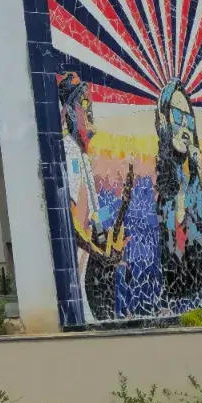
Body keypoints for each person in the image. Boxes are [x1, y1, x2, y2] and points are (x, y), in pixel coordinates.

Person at [56, 74, 135, 321]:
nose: (91, 112)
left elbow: (93, 216)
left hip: (90, 268)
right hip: (82, 272)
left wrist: (119, 204)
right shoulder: (69, 151)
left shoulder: (82, 156)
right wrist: (99, 253)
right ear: (70, 112)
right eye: (85, 104)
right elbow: (72, 219)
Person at [155, 81, 202, 305]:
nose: (185, 129)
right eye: (177, 117)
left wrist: (201, 174)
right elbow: (171, 226)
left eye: (189, 120)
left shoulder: (193, 179)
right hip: (178, 283)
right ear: (164, 121)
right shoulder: (165, 182)